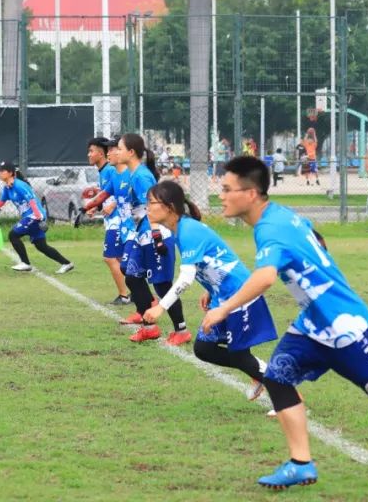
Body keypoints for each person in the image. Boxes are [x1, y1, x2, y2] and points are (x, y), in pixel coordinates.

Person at [202, 156, 368, 490]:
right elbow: (316, 239)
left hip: (345, 326)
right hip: (313, 325)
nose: (221, 194)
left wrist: (223, 308)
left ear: (252, 193)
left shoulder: (271, 229)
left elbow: (266, 277)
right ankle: (301, 463)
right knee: (278, 377)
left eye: (227, 189)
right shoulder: (277, 216)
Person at [142, 180, 278, 405]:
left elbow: (186, 276)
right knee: (204, 349)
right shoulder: (180, 229)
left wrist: (160, 307)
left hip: (238, 294)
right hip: (222, 294)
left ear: (169, 207)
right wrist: (210, 289)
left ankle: (285, 392)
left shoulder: (188, 231)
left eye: (151, 202)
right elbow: (208, 262)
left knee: (239, 355)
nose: (147, 207)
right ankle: (261, 375)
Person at [117, 133, 191, 345]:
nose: (116, 152)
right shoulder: (134, 174)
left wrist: (157, 236)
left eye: (120, 148)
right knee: (132, 276)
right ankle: (149, 326)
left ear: (131, 152)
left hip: (154, 234)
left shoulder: (142, 176)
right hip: (143, 234)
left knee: (162, 284)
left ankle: (181, 330)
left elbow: (155, 209)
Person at [0, 161, 74, 274]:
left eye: (2, 171)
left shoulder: (19, 185)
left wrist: (38, 216)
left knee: (13, 235)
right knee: (41, 246)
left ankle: (25, 263)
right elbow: (1, 202)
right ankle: (66, 263)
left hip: (34, 215)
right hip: (32, 216)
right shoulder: (7, 188)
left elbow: (31, 200)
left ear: (10, 173)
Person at [86, 137, 131, 304]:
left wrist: (112, 204)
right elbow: (108, 193)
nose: (88, 154)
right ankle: (134, 293)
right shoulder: (103, 171)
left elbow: (123, 191)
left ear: (101, 153)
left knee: (110, 258)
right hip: (111, 219)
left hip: (118, 220)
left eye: (92, 151)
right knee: (119, 259)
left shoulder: (112, 170)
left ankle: (124, 295)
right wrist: (95, 207)